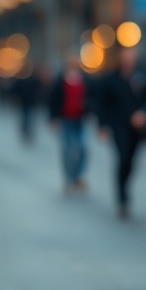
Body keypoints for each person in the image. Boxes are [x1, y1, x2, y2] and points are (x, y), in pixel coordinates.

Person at [96, 46, 146, 219]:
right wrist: (102, 126)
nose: (128, 59)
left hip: (137, 128)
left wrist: (145, 113)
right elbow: (101, 103)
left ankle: (125, 187)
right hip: (118, 126)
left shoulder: (143, 77)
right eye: (125, 56)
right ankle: (122, 197)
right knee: (123, 156)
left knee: (131, 160)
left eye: (131, 56)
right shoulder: (110, 79)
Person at [48, 53, 93, 193]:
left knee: (83, 148)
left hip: (80, 119)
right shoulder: (61, 79)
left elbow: (92, 95)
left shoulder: (85, 78)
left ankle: (78, 176)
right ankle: (69, 177)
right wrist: (53, 118)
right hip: (65, 119)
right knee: (68, 150)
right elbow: (53, 98)